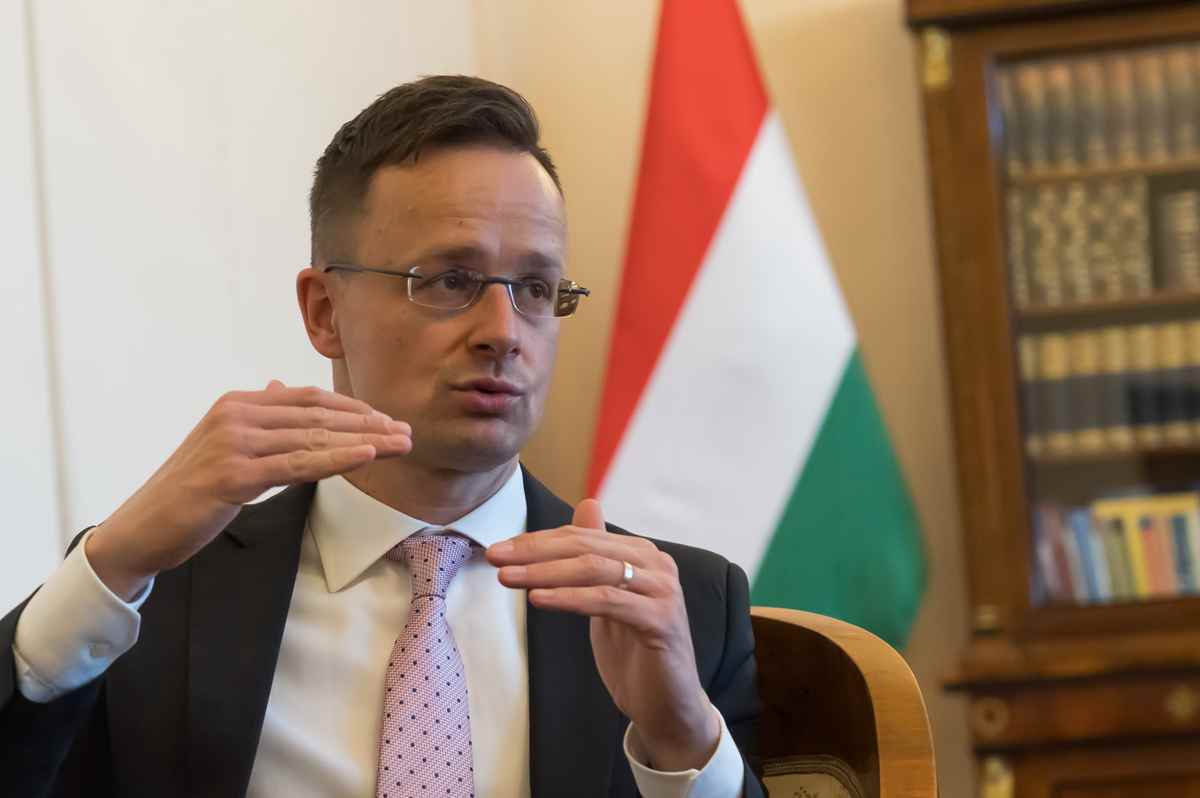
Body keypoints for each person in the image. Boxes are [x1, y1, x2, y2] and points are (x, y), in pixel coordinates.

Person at [0, 75, 761, 798]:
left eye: (535, 288)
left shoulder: (682, 611)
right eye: (451, 281)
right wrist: (109, 564)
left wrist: (682, 738)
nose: (504, 332)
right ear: (324, 312)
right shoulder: (157, 592)